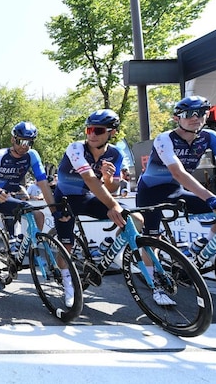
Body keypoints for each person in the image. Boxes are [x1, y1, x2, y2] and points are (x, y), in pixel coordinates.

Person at [52, 110, 147, 302]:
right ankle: (67, 283)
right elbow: (88, 179)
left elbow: (111, 187)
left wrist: (107, 177)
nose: (92, 134)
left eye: (98, 130)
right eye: (89, 130)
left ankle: (109, 248)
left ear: (112, 132)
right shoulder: (76, 148)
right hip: (65, 198)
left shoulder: (115, 154)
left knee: (136, 220)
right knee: (67, 244)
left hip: (88, 197)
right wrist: (113, 205)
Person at [137, 96, 216, 296]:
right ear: (177, 118)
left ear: (207, 114)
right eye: (189, 114)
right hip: (151, 192)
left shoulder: (209, 136)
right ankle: (153, 284)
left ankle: (201, 246)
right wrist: (209, 197)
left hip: (176, 190)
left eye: (200, 112)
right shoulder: (164, 138)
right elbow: (178, 173)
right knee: (152, 238)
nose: (195, 118)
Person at [0, 122, 60, 296]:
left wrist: (55, 211)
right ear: (13, 139)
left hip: (7, 194)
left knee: (37, 215)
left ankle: (23, 247)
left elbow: (43, 183)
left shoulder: (32, 155)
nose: (24, 146)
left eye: (29, 142)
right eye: (21, 141)